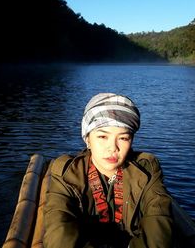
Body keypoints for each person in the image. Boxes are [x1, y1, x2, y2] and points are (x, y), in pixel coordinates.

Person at [44, 93, 174, 248]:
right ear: (88, 139)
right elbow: (59, 230)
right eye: (102, 137)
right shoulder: (67, 172)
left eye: (123, 138)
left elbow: (158, 220)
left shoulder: (147, 169)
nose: (113, 148)